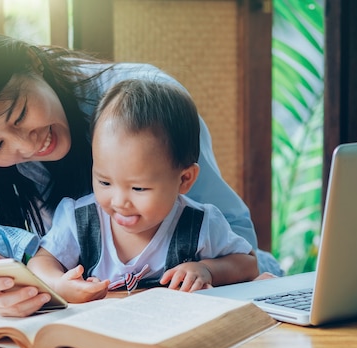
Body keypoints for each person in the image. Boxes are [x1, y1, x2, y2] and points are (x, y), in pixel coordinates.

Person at [0, 24, 282, 317]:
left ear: (32, 64)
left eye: (19, 115)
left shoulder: (146, 105)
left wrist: (208, 270)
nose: (24, 146)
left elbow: (234, 238)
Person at [27, 79, 258, 300]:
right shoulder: (79, 220)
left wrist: (207, 269)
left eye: (138, 188)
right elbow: (40, 261)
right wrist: (58, 283)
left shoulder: (200, 223)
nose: (119, 201)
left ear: (184, 179)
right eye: (105, 182)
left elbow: (248, 264)